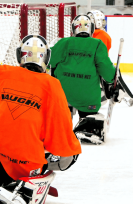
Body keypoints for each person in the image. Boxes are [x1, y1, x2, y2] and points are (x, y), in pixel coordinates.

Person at [0, 34, 82, 203]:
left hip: (0, 150)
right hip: (29, 159)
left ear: (20, 55)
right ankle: (27, 181)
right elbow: (61, 130)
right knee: (72, 149)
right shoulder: (52, 85)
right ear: (46, 58)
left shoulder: (3, 72)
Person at [47, 14, 121, 144]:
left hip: (63, 95)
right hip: (88, 97)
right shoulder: (97, 44)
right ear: (91, 29)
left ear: (73, 29)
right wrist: (114, 78)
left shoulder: (64, 43)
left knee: (62, 111)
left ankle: (62, 127)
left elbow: (48, 61)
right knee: (88, 109)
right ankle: (88, 125)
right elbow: (107, 71)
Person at [87, 10, 112, 106]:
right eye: (101, 20)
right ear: (97, 21)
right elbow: (103, 55)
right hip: (98, 67)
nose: (103, 22)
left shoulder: (88, 34)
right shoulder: (103, 35)